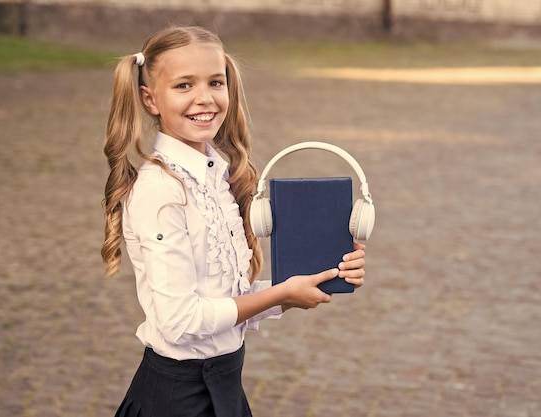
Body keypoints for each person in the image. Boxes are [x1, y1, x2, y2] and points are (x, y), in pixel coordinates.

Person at [100, 26, 366, 417]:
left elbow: (225, 299)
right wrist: (280, 294)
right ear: (149, 98)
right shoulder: (161, 190)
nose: (204, 98)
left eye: (215, 82)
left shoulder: (217, 177)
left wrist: (313, 280)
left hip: (224, 390)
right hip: (177, 401)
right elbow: (181, 321)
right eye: (184, 86)